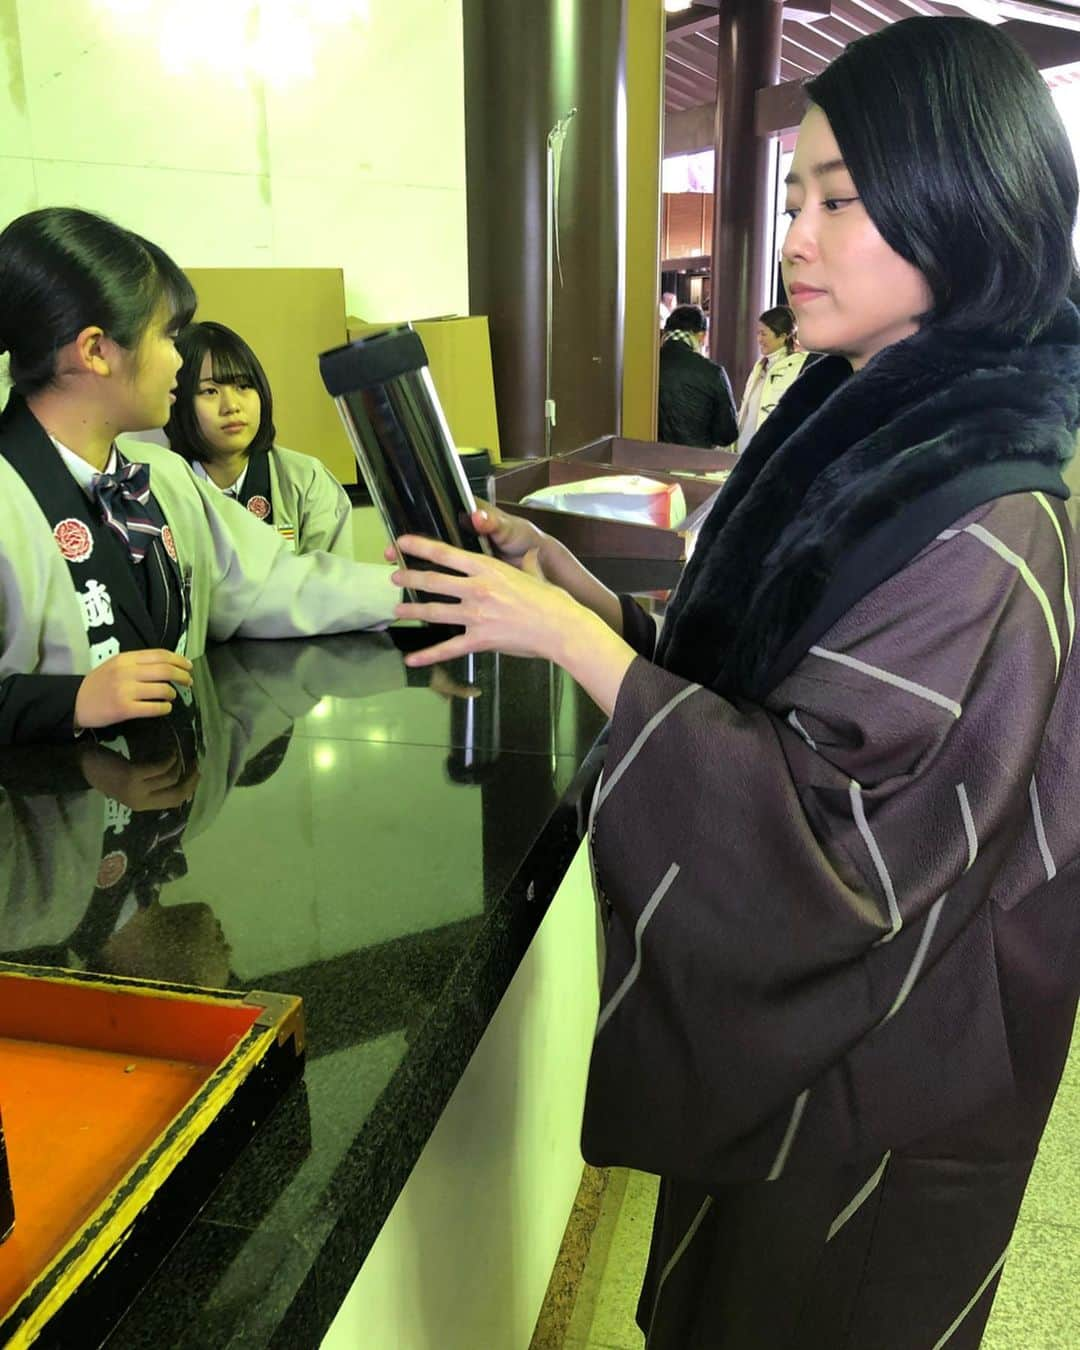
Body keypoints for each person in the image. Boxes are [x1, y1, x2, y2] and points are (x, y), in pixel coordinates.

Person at [377, 16, 1080, 1347]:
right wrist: (587, 603)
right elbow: (777, 666)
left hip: (893, 1059)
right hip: (839, 1045)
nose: (795, 238)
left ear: (965, 203)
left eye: (839, 200)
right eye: (794, 195)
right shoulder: (862, 404)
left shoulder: (988, 513)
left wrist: (582, 650)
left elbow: (846, 840)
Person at [0, 208, 397, 747]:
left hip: (167, 802)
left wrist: (422, 590)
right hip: (55, 819)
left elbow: (277, 583)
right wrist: (65, 702)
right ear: (95, 351)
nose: (178, 364)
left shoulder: (164, 477)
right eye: (167, 337)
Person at [164, 320, 353, 557]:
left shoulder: (306, 481)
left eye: (243, 386)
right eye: (210, 391)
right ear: (177, 400)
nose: (232, 406)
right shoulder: (159, 488)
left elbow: (330, 585)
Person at [657, 304, 738, 449]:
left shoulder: (645, 367)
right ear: (701, 335)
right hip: (697, 461)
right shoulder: (713, 372)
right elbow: (727, 434)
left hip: (648, 457)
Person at [734, 304, 811, 452]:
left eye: (764, 334)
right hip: (744, 450)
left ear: (782, 336)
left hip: (771, 453)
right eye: (758, 333)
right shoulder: (760, 366)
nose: (759, 339)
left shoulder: (801, 367)